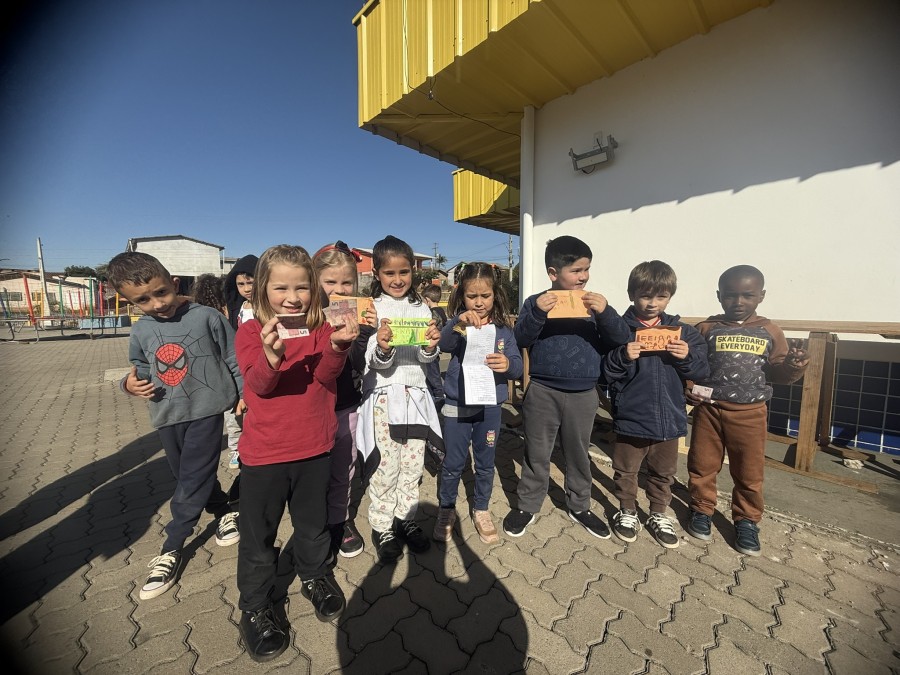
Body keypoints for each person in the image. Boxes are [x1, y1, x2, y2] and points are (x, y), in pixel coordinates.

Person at [234, 244, 359, 662]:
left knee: (312, 524)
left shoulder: (321, 326)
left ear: (314, 289)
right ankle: (255, 605)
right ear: (261, 290)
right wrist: (271, 357)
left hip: (315, 447)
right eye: (281, 288)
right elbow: (259, 385)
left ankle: (314, 575)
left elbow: (325, 376)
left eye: (302, 287)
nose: (292, 298)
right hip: (265, 455)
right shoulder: (251, 331)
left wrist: (338, 346)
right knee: (259, 537)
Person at [108, 252, 242, 601]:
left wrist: (244, 395)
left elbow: (233, 357)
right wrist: (128, 385)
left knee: (193, 477)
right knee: (188, 475)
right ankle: (223, 510)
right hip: (166, 413)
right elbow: (139, 367)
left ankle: (172, 544)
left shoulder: (207, 317)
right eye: (143, 300)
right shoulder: (141, 329)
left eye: (161, 292)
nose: (157, 304)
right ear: (130, 302)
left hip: (207, 409)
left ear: (174, 283)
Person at [503, 235, 630, 539]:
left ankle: (579, 505)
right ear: (553, 273)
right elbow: (520, 339)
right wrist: (537, 313)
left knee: (578, 453)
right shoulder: (535, 302)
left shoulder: (595, 304)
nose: (583, 276)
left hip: (584, 393)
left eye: (587, 269)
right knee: (536, 451)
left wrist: (606, 312)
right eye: (576, 270)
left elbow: (621, 339)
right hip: (542, 390)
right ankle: (528, 505)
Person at [686, 265, 808, 557]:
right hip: (709, 411)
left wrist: (793, 366)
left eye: (747, 295)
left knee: (749, 472)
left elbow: (779, 373)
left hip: (750, 414)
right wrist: (688, 386)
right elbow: (691, 364)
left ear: (761, 296)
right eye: (730, 295)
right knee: (702, 465)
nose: (738, 302)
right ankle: (701, 509)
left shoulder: (770, 330)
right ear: (719, 296)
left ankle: (747, 520)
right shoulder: (707, 328)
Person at [601, 261, 709, 548]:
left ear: (670, 297)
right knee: (626, 469)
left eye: (661, 296)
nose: (652, 303)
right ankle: (627, 510)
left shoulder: (683, 333)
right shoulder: (619, 331)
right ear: (631, 294)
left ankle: (658, 513)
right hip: (631, 416)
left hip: (669, 416)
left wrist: (686, 356)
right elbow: (604, 372)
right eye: (645, 296)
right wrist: (622, 356)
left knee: (664, 472)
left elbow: (701, 370)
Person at [356, 235, 443, 564]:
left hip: (416, 398)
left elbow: (425, 359)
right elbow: (371, 362)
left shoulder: (422, 307)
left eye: (403, 272)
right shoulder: (371, 308)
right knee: (386, 466)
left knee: (412, 465)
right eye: (389, 273)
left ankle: (405, 518)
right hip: (383, 399)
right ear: (376, 273)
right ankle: (382, 526)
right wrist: (383, 347)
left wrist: (431, 347)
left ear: (413, 272)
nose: (397, 279)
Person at [434, 262, 523, 544]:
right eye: (472, 296)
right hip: (457, 405)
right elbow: (444, 345)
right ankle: (446, 509)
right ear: (462, 296)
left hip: (489, 407)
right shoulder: (460, 326)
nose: (479, 302)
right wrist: (456, 323)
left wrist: (508, 364)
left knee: (485, 462)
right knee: (453, 462)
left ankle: (481, 509)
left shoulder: (503, 330)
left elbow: (518, 366)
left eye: (485, 295)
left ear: (495, 295)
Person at [313, 240, 376, 559]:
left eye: (347, 282)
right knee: (314, 473)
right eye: (330, 282)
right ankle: (313, 523)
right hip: (312, 409)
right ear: (315, 281)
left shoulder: (360, 315)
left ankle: (341, 519)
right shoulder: (305, 316)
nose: (339, 289)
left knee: (345, 468)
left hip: (347, 404)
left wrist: (365, 333)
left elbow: (361, 363)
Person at [223, 254, 258, 468]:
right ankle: (236, 449)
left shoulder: (267, 307)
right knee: (234, 412)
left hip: (259, 365)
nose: (246, 288)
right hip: (238, 366)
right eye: (240, 284)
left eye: (250, 282)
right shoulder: (239, 308)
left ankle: (255, 445)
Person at [421, 283, 447, 409]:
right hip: (436, 348)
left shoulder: (432, 314)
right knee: (432, 373)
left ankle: (439, 397)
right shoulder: (441, 311)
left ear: (427, 300)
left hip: (431, 347)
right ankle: (435, 396)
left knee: (432, 374)